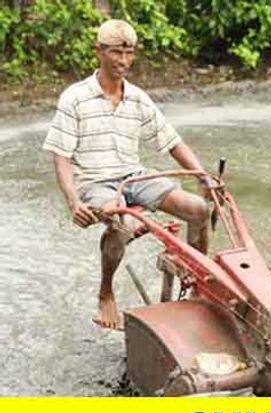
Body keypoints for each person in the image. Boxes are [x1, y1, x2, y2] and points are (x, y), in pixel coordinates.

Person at [44, 20, 212, 330]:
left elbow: (171, 141)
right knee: (121, 225)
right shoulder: (75, 98)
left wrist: (203, 177)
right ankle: (106, 291)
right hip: (95, 182)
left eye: (129, 53)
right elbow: (61, 156)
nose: (123, 61)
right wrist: (73, 203)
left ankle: (195, 280)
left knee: (199, 209)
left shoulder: (137, 97)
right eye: (116, 53)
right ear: (99, 52)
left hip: (134, 176)